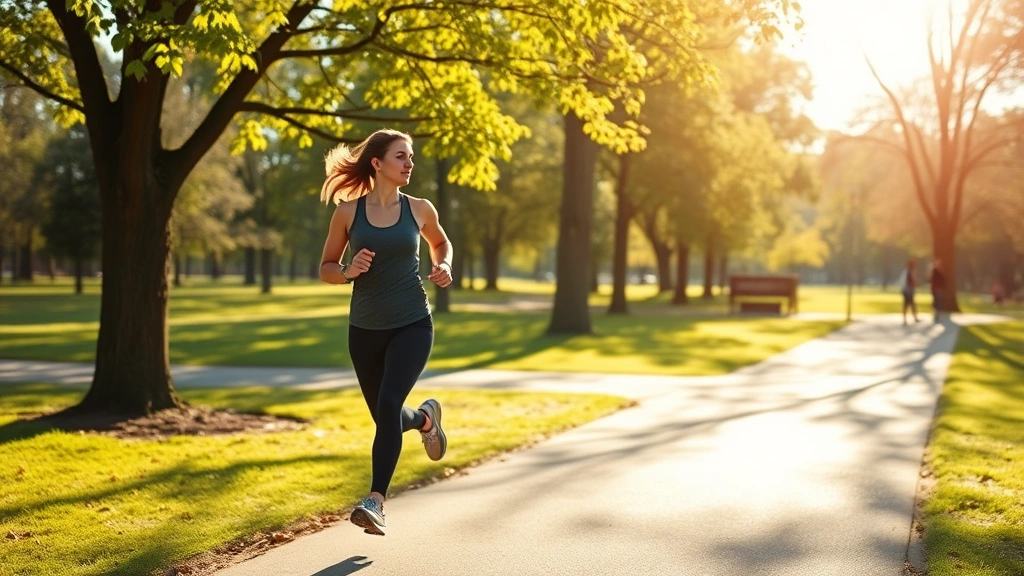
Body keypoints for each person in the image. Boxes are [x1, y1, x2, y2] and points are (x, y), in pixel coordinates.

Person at [318, 129, 453, 536]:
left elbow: (441, 243)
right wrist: (346, 271)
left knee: (390, 401)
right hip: (364, 329)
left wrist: (444, 265)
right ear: (377, 163)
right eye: (401, 157)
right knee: (386, 415)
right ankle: (427, 420)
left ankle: (374, 502)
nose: (409, 164)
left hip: (413, 322)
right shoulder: (347, 213)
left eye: (410, 157)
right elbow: (326, 267)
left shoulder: (420, 208)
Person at [898, 259, 920, 324]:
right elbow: (910, 282)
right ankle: (909, 318)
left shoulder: (906, 272)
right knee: (908, 305)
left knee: (909, 305)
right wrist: (915, 283)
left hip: (906, 291)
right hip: (908, 291)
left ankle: (911, 318)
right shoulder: (908, 273)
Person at [928, 259, 946, 323]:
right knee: (936, 301)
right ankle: (936, 314)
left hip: (939, 289)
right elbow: (932, 280)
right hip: (935, 288)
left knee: (938, 301)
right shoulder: (934, 271)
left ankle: (938, 314)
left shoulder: (940, 271)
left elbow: (943, 280)